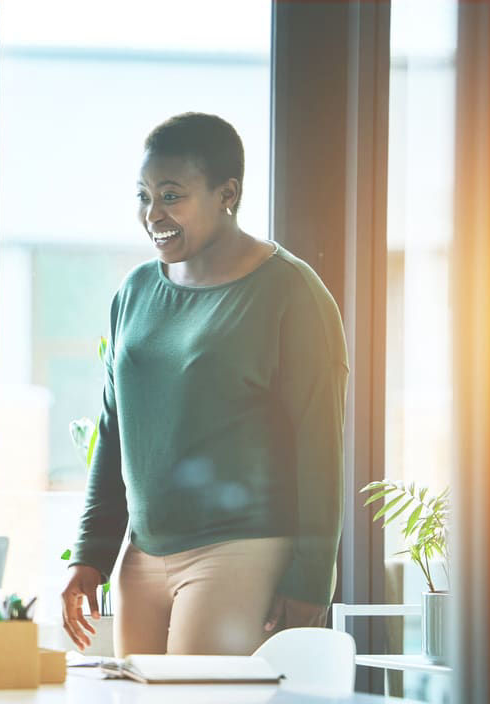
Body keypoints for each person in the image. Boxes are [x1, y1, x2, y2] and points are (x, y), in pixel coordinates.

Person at [60, 113, 348, 657]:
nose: (153, 215)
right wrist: (90, 554)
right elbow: (115, 429)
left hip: (239, 552)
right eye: (143, 195)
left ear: (227, 194)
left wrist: (312, 579)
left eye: (172, 195)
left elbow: (320, 450)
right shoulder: (136, 291)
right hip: (140, 558)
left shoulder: (290, 294)